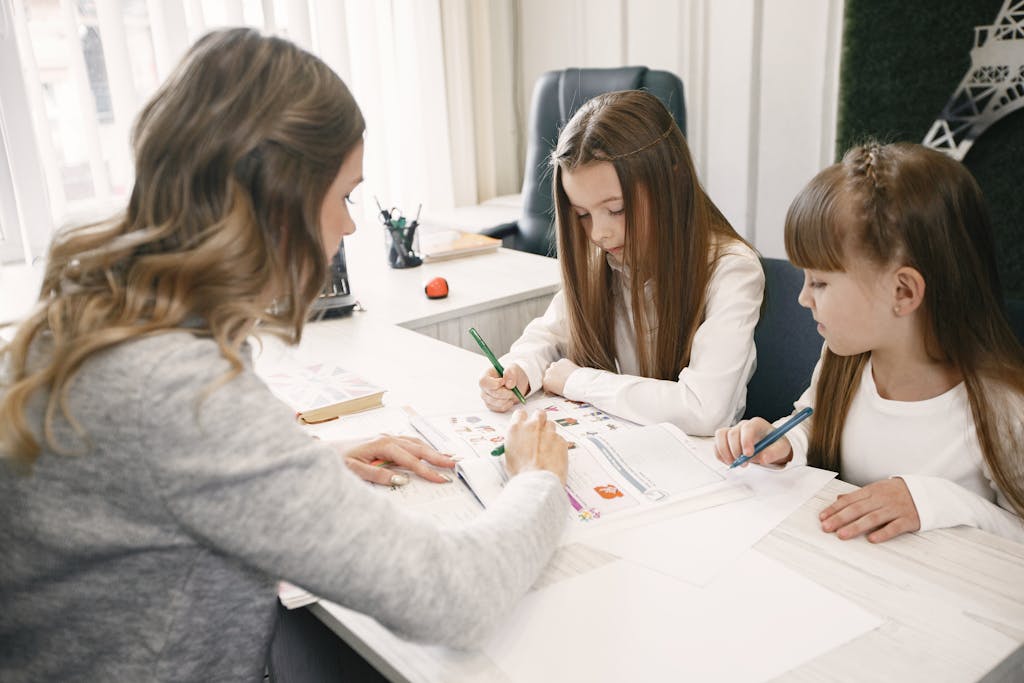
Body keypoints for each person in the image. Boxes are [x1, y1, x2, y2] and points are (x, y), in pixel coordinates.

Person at [0, 28, 569, 681]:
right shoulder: (181, 390)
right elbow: (454, 598)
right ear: (281, 204)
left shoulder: (91, 310)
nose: (350, 227)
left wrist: (295, 469)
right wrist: (539, 480)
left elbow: (139, 487)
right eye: (344, 197)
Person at [714, 142, 1024, 544]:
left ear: (903, 292)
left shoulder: (1004, 408)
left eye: (820, 282)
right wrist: (783, 444)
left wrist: (930, 500)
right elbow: (811, 425)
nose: (803, 298)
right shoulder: (842, 359)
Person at [478, 90, 764, 436]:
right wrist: (518, 368)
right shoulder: (605, 260)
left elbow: (704, 409)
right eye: (582, 215)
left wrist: (577, 380)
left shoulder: (731, 269)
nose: (600, 234)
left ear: (671, 182)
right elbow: (549, 334)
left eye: (617, 210)